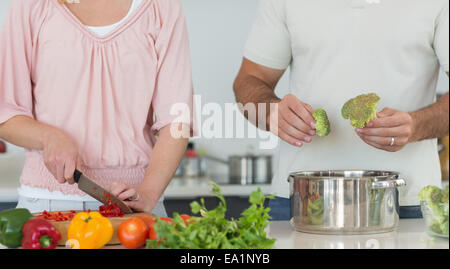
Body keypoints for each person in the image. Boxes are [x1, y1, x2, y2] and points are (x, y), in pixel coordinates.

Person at [234, 0, 449, 220]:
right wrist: (272, 112)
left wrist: (416, 125)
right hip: (300, 198)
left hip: (406, 200)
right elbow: (250, 80)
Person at [0, 0, 194, 216]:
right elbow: (6, 113)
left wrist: (148, 193)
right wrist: (49, 137)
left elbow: (176, 122)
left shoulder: (162, 7)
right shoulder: (30, 6)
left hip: (135, 205)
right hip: (49, 204)